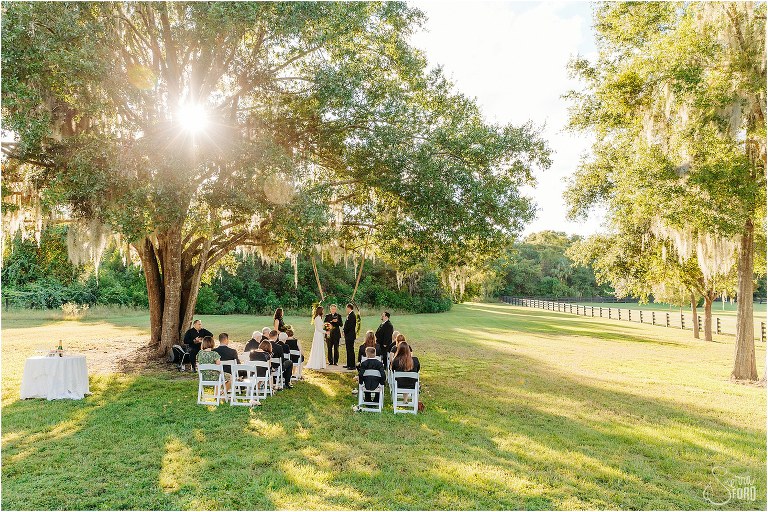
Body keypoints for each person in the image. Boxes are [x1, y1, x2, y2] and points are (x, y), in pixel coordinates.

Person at [306, 305, 326, 370]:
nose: (323, 311)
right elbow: (318, 328)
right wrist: (325, 332)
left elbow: (321, 326)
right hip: (318, 334)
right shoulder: (317, 318)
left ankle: (320, 363)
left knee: (320, 348)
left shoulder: (319, 318)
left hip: (320, 335)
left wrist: (325, 325)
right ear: (320, 311)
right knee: (317, 347)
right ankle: (316, 363)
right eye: (322, 310)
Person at [342, 303, 357, 369]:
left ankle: (352, 365)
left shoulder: (352, 315)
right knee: (348, 349)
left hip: (350, 335)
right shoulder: (349, 315)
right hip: (348, 335)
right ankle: (348, 364)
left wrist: (345, 331)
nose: (346, 310)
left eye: (346, 308)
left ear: (349, 308)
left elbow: (350, 326)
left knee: (350, 350)